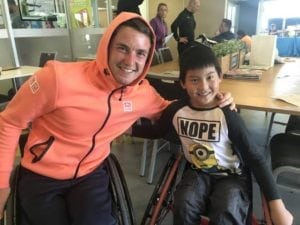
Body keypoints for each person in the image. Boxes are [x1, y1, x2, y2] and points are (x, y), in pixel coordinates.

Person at [0, 12, 233, 225]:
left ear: (147, 57)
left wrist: (213, 102)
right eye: (123, 48)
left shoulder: (142, 93)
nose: (131, 61)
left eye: (140, 53)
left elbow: (170, 111)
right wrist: (1, 186)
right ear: (107, 47)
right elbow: (8, 122)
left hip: (91, 175)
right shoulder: (57, 78)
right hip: (42, 176)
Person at [131, 44, 294, 225]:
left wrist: (277, 205)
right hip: (197, 171)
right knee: (183, 204)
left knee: (228, 208)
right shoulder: (176, 110)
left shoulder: (227, 114)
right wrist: (129, 130)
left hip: (232, 175)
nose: (204, 86)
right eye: (194, 80)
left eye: (210, 77)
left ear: (220, 77)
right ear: (183, 83)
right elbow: (157, 131)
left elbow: (255, 157)